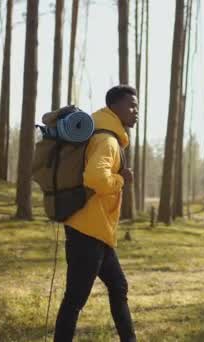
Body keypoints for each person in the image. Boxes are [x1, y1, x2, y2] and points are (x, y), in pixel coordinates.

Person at [54, 85, 138, 342]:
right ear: (114, 107)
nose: (136, 111)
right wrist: (121, 180)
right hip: (87, 231)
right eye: (131, 106)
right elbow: (95, 179)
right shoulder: (107, 141)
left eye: (137, 106)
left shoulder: (104, 135)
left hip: (96, 231)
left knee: (118, 286)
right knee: (75, 299)